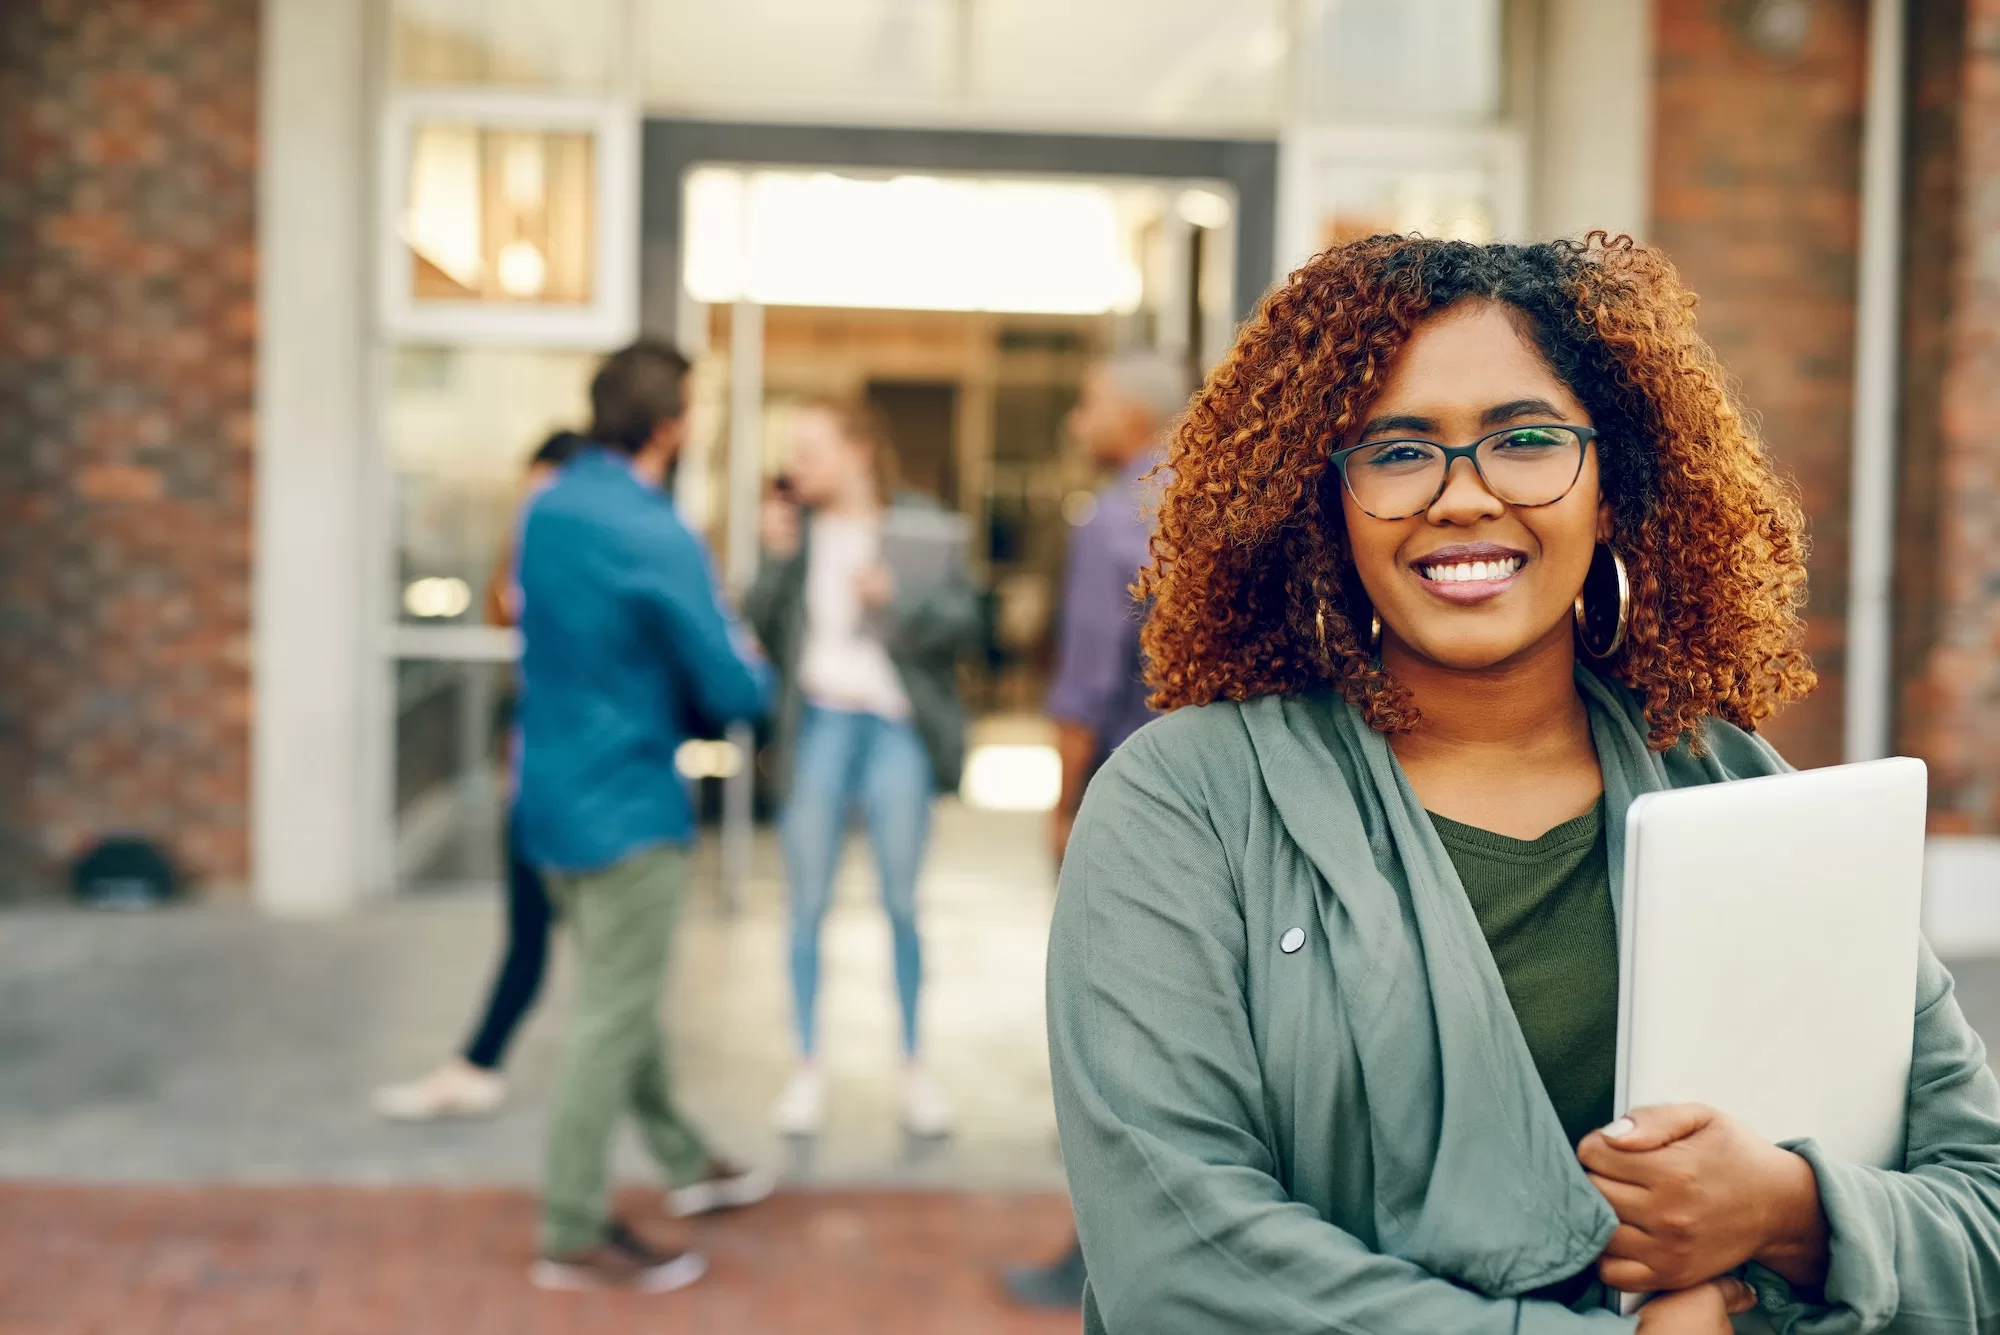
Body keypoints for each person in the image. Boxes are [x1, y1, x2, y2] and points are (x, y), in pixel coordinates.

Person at [1047, 235, 2000, 1333]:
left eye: (1526, 440)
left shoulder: (1743, 801)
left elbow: (1977, 1213)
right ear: (1324, 504)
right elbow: (1178, 1265)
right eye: (1397, 451)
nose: (1463, 497)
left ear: (1613, 488)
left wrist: (1787, 1210)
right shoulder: (1185, 809)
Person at [519, 342, 776, 1294]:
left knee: (615, 998)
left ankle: (683, 1159)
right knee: (610, 1016)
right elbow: (731, 684)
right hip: (624, 800)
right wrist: (752, 658)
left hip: (546, 797)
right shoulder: (651, 529)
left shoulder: (546, 507)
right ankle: (571, 1226)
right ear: (671, 424)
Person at [745, 398, 982, 1139]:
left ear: (857, 452)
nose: (795, 467)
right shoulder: (794, 529)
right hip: (818, 722)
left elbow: (970, 623)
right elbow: (754, 625)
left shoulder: (916, 524)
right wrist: (775, 558)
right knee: (805, 902)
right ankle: (807, 1068)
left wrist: (898, 601)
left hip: (893, 728)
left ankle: (914, 1068)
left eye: (811, 450)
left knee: (902, 903)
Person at [1004, 351, 1184, 1310]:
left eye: (1089, 404)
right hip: (1220, 798)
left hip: (1132, 799)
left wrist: (1062, 806)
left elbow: (1082, 686)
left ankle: (1098, 1257)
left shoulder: (1117, 517)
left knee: (1110, 1035)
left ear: (1134, 416)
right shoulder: (1218, 504)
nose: (1080, 421)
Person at [374, 429, 587, 1123]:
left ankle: (477, 1064)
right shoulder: (524, 558)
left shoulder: (578, 568)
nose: (532, 506)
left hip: (572, 783)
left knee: (588, 956)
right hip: (536, 774)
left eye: (542, 489)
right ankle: (477, 1064)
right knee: (538, 935)